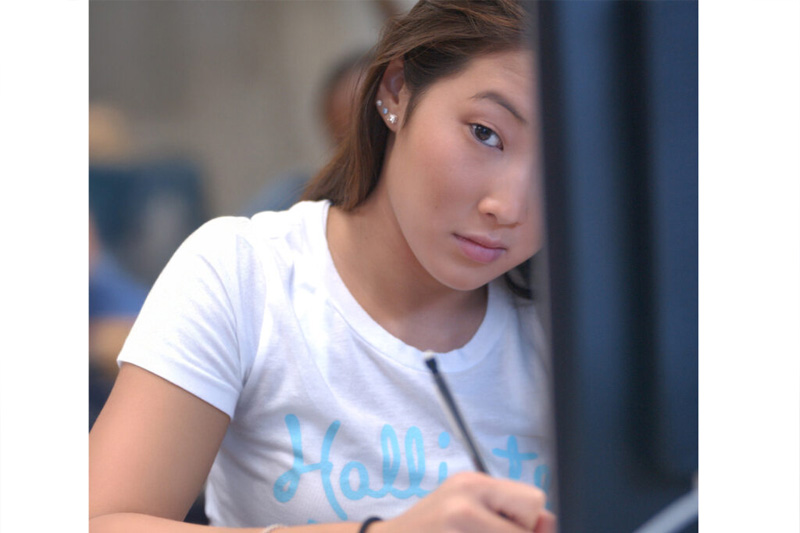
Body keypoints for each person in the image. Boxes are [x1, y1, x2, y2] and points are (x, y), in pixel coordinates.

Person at [89, 1, 556, 532]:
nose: (509, 206)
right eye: (485, 133)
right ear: (396, 90)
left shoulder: (583, 317)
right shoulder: (246, 274)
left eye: (561, 164)